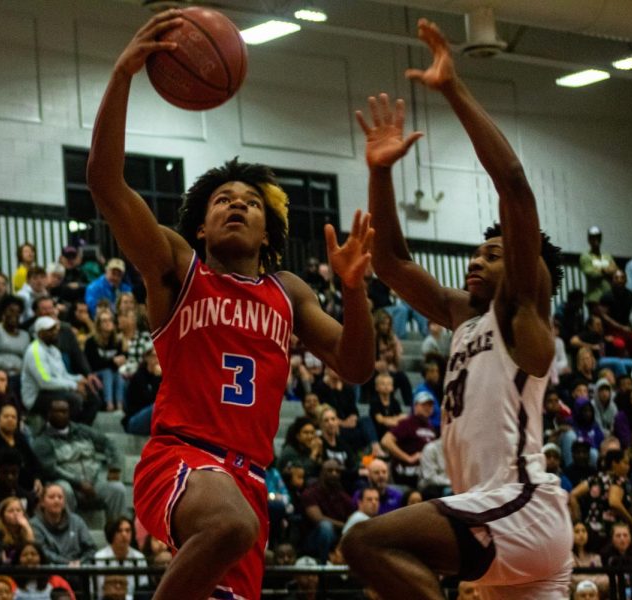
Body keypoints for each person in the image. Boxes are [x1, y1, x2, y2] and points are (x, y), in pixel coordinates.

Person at [86, 12, 375, 600]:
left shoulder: (288, 292)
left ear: (270, 231)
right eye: (222, 200)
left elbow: (357, 366)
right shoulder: (176, 267)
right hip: (181, 458)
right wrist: (122, 76)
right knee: (230, 524)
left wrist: (352, 288)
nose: (236, 206)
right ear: (201, 223)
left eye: (250, 202)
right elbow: (105, 183)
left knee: (235, 542)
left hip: (248, 477)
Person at [342, 20, 572, 599]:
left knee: (366, 543)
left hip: (516, 505)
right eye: (475, 252)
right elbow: (391, 262)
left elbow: (514, 185)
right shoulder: (463, 316)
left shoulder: (521, 314)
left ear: (526, 270)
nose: (476, 261)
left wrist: (452, 90)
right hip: (499, 520)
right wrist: (379, 172)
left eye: (493, 254)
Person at [32, 397, 127, 523]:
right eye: (57, 411)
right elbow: (51, 470)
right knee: (62, 489)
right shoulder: (42, 441)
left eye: (65, 411)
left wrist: (114, 470)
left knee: (117, 488)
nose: (62, 415)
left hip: (95, 481)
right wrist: (79, 484)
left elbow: (108, 443)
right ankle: (66, 529)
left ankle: (117, 532)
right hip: (70, 486)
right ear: (49, 414)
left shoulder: (82, 430)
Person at [300, 459, 355, 564]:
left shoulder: (343, 496)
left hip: (339, 538)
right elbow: (318, 518)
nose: (334, 474)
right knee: (326, 527)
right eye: (330, 470)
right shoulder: (310, 493)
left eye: (337, 471)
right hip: (313, 539)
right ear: (321, 473)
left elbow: (352, 517)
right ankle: (323, 565)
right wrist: (345, 526)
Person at [380, 391, 437, 489]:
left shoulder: (431, 428)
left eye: (430, 405)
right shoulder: (407, 423)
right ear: (415, 406)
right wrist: (408, 458)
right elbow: (386, 441)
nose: (428, 408)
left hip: (425, 474)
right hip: (406, 474)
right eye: (424, 404)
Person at [29, 483, 96, 566]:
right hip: (50, 572)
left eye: (60, 497)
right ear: (42, 502)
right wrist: (67, 564)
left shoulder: (77, 521)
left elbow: (91, 548)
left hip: (78, 570)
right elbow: (42, 552)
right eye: (51, 497)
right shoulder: (34, 524)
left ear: (64, 502)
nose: (56, 500)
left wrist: (80, 563)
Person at [93, 517, 148, 600]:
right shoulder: (99, 557)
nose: (124, 535)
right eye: (119, 531)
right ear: (111, 533)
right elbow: (99, 590)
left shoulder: (139, 557)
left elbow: (143, 587)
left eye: (128, 530)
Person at [580, 226, 617, 310]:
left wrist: (599, 270)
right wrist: (606, 270)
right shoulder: (585, 256)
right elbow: (591, 274)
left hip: (609, 297)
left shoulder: (607, 256)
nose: (596, 239)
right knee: (597, 322)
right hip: (594, 298)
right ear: (589, 239)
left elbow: (615, 270)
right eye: (593, 237)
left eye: (598, 237)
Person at [0, 496, 35, 564]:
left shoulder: (27, 529)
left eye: (18, 510)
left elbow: (32, 550)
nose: (15, 513)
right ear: (3, 515)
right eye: (10, 511)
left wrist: (27, 528)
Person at [571, 521, 608, 598]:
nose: (581, 534)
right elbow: (572, 579)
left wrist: (584, 580)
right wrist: (594, 581)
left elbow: (605, 580)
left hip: (594, 593)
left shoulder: (595, 557)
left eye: (584, 531)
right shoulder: (568, 556)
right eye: (577, 531)